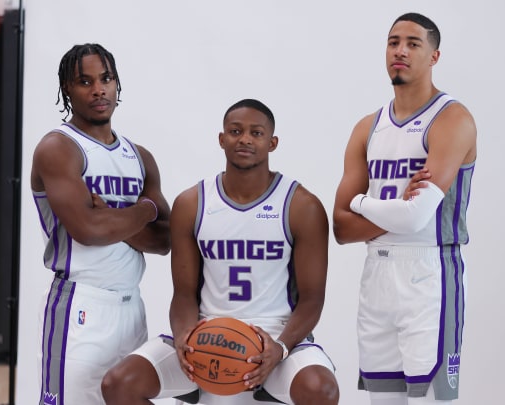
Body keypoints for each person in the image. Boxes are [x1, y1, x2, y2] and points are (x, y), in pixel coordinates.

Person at [101, 99, 339, 405]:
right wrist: (185, 336)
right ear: (222, 138)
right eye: (236, 131)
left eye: (256, 133)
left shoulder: (301, 206)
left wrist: (279, 348)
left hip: (275, 337)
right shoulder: (192, 203)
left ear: (272, 143)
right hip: (207, 333)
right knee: (119, 384)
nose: (245, 139)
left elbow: (312, 299)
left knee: (322, 390)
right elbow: (184, 294)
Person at [332, 13, 477, 405]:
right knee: (383, 401)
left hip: (429, 274)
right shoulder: (368, 127)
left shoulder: (451, 118)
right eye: (393, 42)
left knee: (431, 401)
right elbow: (341, 228)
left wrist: (362, 203)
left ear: (434, 56)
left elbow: (415, 219)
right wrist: (392, 207)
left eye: (413, 43)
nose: (400, 50)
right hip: (376, 274)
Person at [30, 43, 171, 405]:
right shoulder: (59, 148)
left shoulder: (140, 157)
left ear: (117, 84)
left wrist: (111, 215)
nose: (98, 89)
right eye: (85, 81)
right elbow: (88, 231)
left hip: (131, 306)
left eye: (106, 78)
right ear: (67, 90)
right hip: (81, 305)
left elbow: (164, 241)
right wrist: (144, 210)